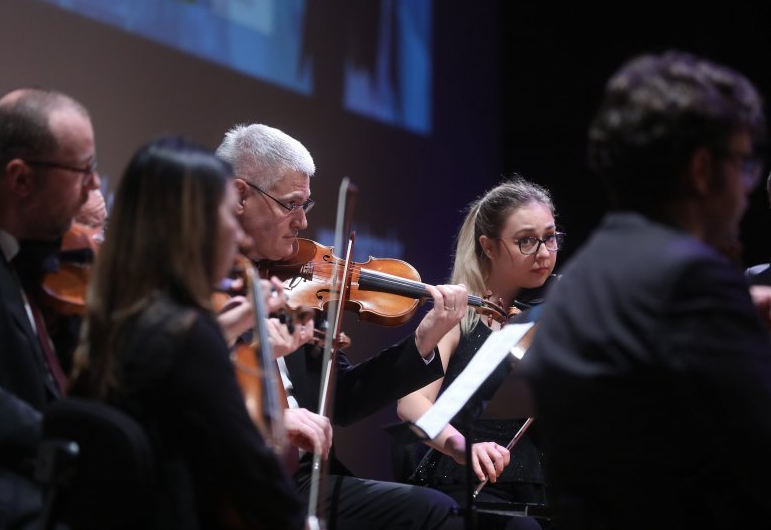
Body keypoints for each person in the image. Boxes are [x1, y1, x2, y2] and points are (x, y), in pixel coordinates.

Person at [521, 50, 771, 529]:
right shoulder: (693, 282)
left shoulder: (580, 279)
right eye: (742, 164)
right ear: (701, 170)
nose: (745, 190)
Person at [215, 123, 467, 529]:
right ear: (241, 194)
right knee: (435, 513)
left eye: (306, 206)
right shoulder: (202, 283)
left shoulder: (296, 286)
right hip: (241, 477)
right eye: (290, 204)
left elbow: (344, 400)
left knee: (442, 512)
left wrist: (423, 340)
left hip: (306, 475)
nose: (301, 223)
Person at [69, 135, 306, 529]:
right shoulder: (190, 338)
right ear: (193, 228)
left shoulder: (105, 320)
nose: (242, 238)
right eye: (231, 218)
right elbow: (253, 475)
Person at [397, 177, 560, 530]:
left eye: (550, 237)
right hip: (469, 484)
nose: (544, 253)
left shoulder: (559, 314)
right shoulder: (459, 316)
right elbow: (411, 403)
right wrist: (462, 445)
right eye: (527, 241)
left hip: (546, 486)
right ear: (488, 246)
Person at [0, 87, 100, 529]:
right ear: (21, 179)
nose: (95, 186)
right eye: (83, 170)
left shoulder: (27, 255)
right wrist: (94, 446)